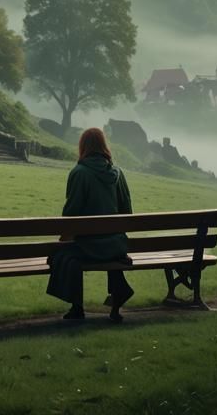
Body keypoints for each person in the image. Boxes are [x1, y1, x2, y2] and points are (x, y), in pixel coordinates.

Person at [46, 127, 134, 323]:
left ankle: (77, 307)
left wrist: (62, 240)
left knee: (63, 255)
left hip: (89, 247)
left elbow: (71, 215)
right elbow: (127, 213)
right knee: (106, 244)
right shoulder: (118, 173)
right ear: (104, 146)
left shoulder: (79, 173)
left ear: (83, 146)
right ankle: (118, 298)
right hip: (116, 246)